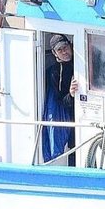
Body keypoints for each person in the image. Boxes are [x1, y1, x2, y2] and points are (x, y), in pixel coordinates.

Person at [41, 34, 79, 164]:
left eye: (65, 47)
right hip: (72, 114)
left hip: (90, 109)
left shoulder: (82, 61)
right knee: (75, 146)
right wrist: (71, 94)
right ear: (54, 53)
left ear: (71, 45)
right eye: (59, 50)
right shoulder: (55, 73)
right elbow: (60, 102)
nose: (64, 52)